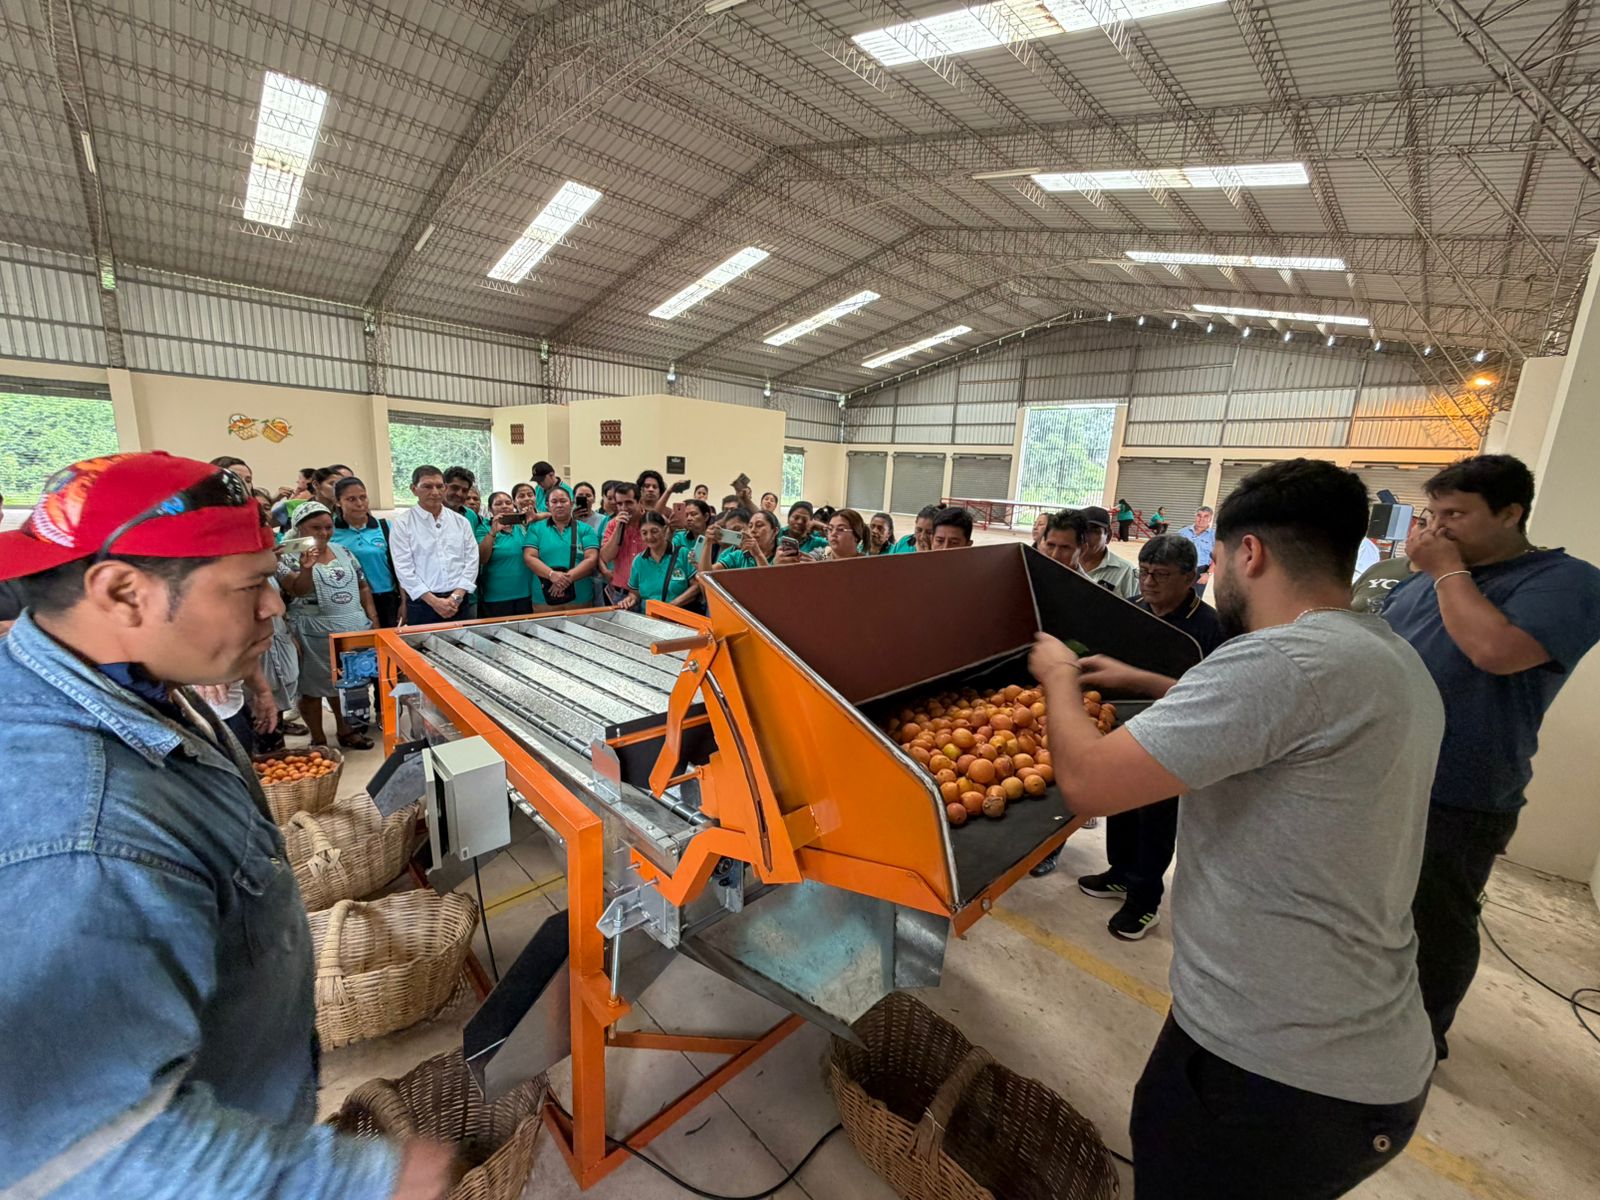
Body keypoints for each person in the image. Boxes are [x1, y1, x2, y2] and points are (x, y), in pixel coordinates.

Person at [0, 452, 455, 1199]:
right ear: (122, 592)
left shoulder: (123, 684)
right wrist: (358, 1182)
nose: (275, 606)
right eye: (249, 586)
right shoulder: (84, 832)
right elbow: (93, 1147)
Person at [1029, 458, 1442, 1199]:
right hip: (1360, 1044)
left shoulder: (1278, 659)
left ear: (1248, 553)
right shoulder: (1387, 656)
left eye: (1215, 558)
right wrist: (1153, 683)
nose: (1215, 574)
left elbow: (1087, 781)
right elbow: (1285, 726)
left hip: (1275, 1068)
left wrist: (1060, 675)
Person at [1381, 454, 1600, 1061]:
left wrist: (1446, 570)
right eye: (1433, 513)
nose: (1438, 528)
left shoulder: (1566, 581)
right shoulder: (1420, 580)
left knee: (1434, 922)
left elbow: (1496, 651)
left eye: (1456, 514)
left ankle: (1418, 1041)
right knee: (1370, 910)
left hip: (1459, 789)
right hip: (1384, 774)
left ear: (1510, 513)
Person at [1032, 536, 1228, 939]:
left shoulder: (1210, 629)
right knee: (1120, 805)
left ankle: (1144, 902)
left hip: (1173, 738)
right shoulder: (1132, 610)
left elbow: (1213, 696)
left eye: (1161, 575)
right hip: (1124, 725)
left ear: (1190, 577)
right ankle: (1120, 872)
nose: (1149, 583)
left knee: (1155, 818)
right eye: (1144, 573)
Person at [279, 502, 378, 749]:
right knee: (312, 688)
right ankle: (319, 739)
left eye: (328, 527)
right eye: (316, 528)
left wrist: (372, 618)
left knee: (345, 684)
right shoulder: (287, 556)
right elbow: (297, 590)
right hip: (312, 633)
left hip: (351, 629)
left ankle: (347, 731)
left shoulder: (343, 551)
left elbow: (362, 586)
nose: (323, 533)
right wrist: (307, 567)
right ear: (299, 528)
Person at [390, 465, 478, 625]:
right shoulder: (402, 524)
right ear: (414, 489)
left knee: (463, 640)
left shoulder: (461, 522)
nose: (435, 492)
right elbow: (404, 569)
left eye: (439, 486)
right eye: (427, 486)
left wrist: (456, 596)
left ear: (445, 488)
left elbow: (472, 560)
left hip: (458, 602)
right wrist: (435, 602)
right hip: (422, 603)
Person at [331, 476, 401, 628]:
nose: (359, 503)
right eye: (351, 499)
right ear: (338, 502)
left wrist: (404, 601)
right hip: (350, 600)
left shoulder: (385, 527)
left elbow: (400, 566)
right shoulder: (331, 532)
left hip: (386, 597)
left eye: (363, 497)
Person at [526, 485, 601, 609]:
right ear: (547, 505)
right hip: (544, 598)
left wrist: (565, 579)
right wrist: (551, 574)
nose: (559, 505)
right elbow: (529, 557)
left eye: (563, 501)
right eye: (554, 501)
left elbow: (591, 559)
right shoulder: (535, 528)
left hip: (580, 597)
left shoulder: (586, 529)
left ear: (571, 504)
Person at [476, 491, 534, 619]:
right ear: (490, 509)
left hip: (525, 594)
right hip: (496, 598)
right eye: (498, 504)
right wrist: (493, 532)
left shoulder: (522, 527)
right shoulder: (484, 528)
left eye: (508, 503)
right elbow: (482, 559)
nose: (504, 506)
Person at [624, 511, 697, 609]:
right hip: (649, 616)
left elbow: (696, 586)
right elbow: (634, 593)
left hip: (678, 615)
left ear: (664, 530)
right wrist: (629, 600)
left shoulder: (683, 553)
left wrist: (671, 606)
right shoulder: (638, 561)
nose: (649, 537)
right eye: (644, 533)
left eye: (654, 531)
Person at [1078, 507, 1140, 599]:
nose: (1084, 537)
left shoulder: (1126, 572)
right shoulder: (1063, 563)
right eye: (1080, 531)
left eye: (1093, 531)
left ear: (1108, 536)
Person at [598, 481, 645, 604]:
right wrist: (618, 528)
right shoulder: (613, 524)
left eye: (629, 502)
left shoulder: (651, 522)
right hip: (621, 593)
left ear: (639, 502)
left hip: (648, 592)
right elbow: (606, 557)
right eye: (619, 504)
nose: (624, 508)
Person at [715, 509, 780, 570]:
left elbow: (768, 578)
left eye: (759, 525)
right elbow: (710, 573)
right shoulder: (739, 555)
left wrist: (758, 554)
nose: (753, 530)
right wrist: (709, 543)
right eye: (750, 526)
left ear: (775, 531)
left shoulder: (782, 555)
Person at [443, 466, 488, 537]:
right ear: (443, 487)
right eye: (455, 488)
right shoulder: (431, 513)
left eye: (464, 490)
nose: (459, 494)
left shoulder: (471, 515)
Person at [1177, 506, 1215, 588]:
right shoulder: (1182, 532)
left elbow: (1218, 557)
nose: (1201, 519)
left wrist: (1208, 573)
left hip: (1200, 572)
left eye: (1206, 516)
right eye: (1199, 515)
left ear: (1210, 519)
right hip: (1181, 570)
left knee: (1194, 596)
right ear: (1195, 517)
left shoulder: (1214, 536)